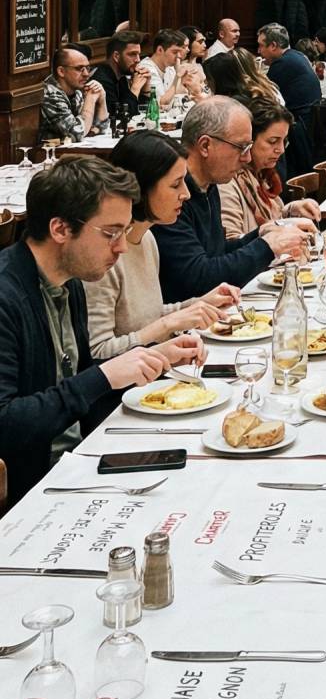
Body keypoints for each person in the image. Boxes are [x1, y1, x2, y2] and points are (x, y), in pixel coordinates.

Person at [0, 158, 203, 505]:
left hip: (78, 462)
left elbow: (77, 386)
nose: (122, 247)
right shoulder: (7, 297)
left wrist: (152, 359)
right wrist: (104, 376)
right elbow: (6, 425)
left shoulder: (69, 282)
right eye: (111, 233)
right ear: (60, 229)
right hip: (33, 491)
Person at [84, 131, 238, 360]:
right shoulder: (105, 255)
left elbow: (149, 315)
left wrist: (200, 304)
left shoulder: (147, 239)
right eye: (175, 185)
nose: (186, 194)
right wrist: (169, 323)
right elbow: (97, 353)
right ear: (141, 187)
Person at [152, 96, 312, 297]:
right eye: (241, 147)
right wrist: (267, 246)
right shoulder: (172, 195)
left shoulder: (209, 184)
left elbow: (216, 253)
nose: (247, 157)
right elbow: (198, 278)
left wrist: (261, 234)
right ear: (205, 146)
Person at [218, 99, 323, 238]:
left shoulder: (263, 175)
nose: (281, 150)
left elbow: (272, 219)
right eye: (273, 141)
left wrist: (291, 210)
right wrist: (284, 226)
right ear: (249, 140)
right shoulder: (227, 183)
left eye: (284, 141)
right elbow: (230, 240)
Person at [257, 22, 321, 174]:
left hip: (299, 131)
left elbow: (264, 94)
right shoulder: (297, 55)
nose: (259, 51)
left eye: (261, 45)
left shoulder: (282, 63)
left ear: (273, 45)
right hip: (310, 125)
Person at [40, 45, 110, 141]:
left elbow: (101, 127)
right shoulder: (51, 94)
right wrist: (90, 99)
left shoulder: (76, 92)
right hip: (48, 150)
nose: (86, 74)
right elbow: (77, 133)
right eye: (79, 68)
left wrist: (102, 99)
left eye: (87, 68)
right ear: (61, 71)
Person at [92, 30, 150, 124]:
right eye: (132, 54)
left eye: (138, 54)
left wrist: (145, 89)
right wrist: (135, 89)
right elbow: (119, 119)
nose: (138, 60)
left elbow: (141, 113)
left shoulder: (121, 77)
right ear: (116, 56)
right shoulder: (102, 81)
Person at [138, 28, 188, 104]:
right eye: (175, 52)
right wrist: (177, 76)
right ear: (160, 50)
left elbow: (180, 93)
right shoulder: (146, 68)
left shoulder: (169, 67)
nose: (179, 56)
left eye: (180, 52)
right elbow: (161, 102)